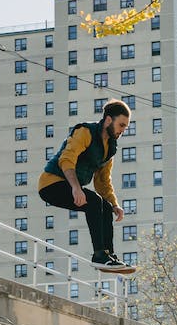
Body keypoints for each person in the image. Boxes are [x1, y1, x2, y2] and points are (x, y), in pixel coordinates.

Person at [37, 99, 135, 273]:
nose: (122, 131)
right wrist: (76, 187)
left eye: (125, 127)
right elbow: (66, 159)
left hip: (70, 186)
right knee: (95, 202)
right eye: (121, 125)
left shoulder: (109, 148)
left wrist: (114, 204)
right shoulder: (85, 132)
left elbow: (103, 181)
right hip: (51, 183)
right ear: (108, 120)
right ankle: (99, 255)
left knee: (103, 204)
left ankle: (108, 256)